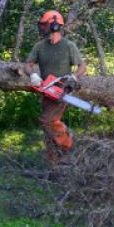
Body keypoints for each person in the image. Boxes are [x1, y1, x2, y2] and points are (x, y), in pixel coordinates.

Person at [24, 10, 87, 164]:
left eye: (45, 24)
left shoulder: (68, 45)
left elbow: (82, 66)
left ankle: (68, 142)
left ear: (54, 25)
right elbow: (27, 64)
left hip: (62, 90)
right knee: (47, 127)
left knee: (47, 120)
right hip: (46, 90)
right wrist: (33, 74)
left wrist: (73, 76)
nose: (42, 27)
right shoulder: (40, 46)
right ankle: (54, 161)